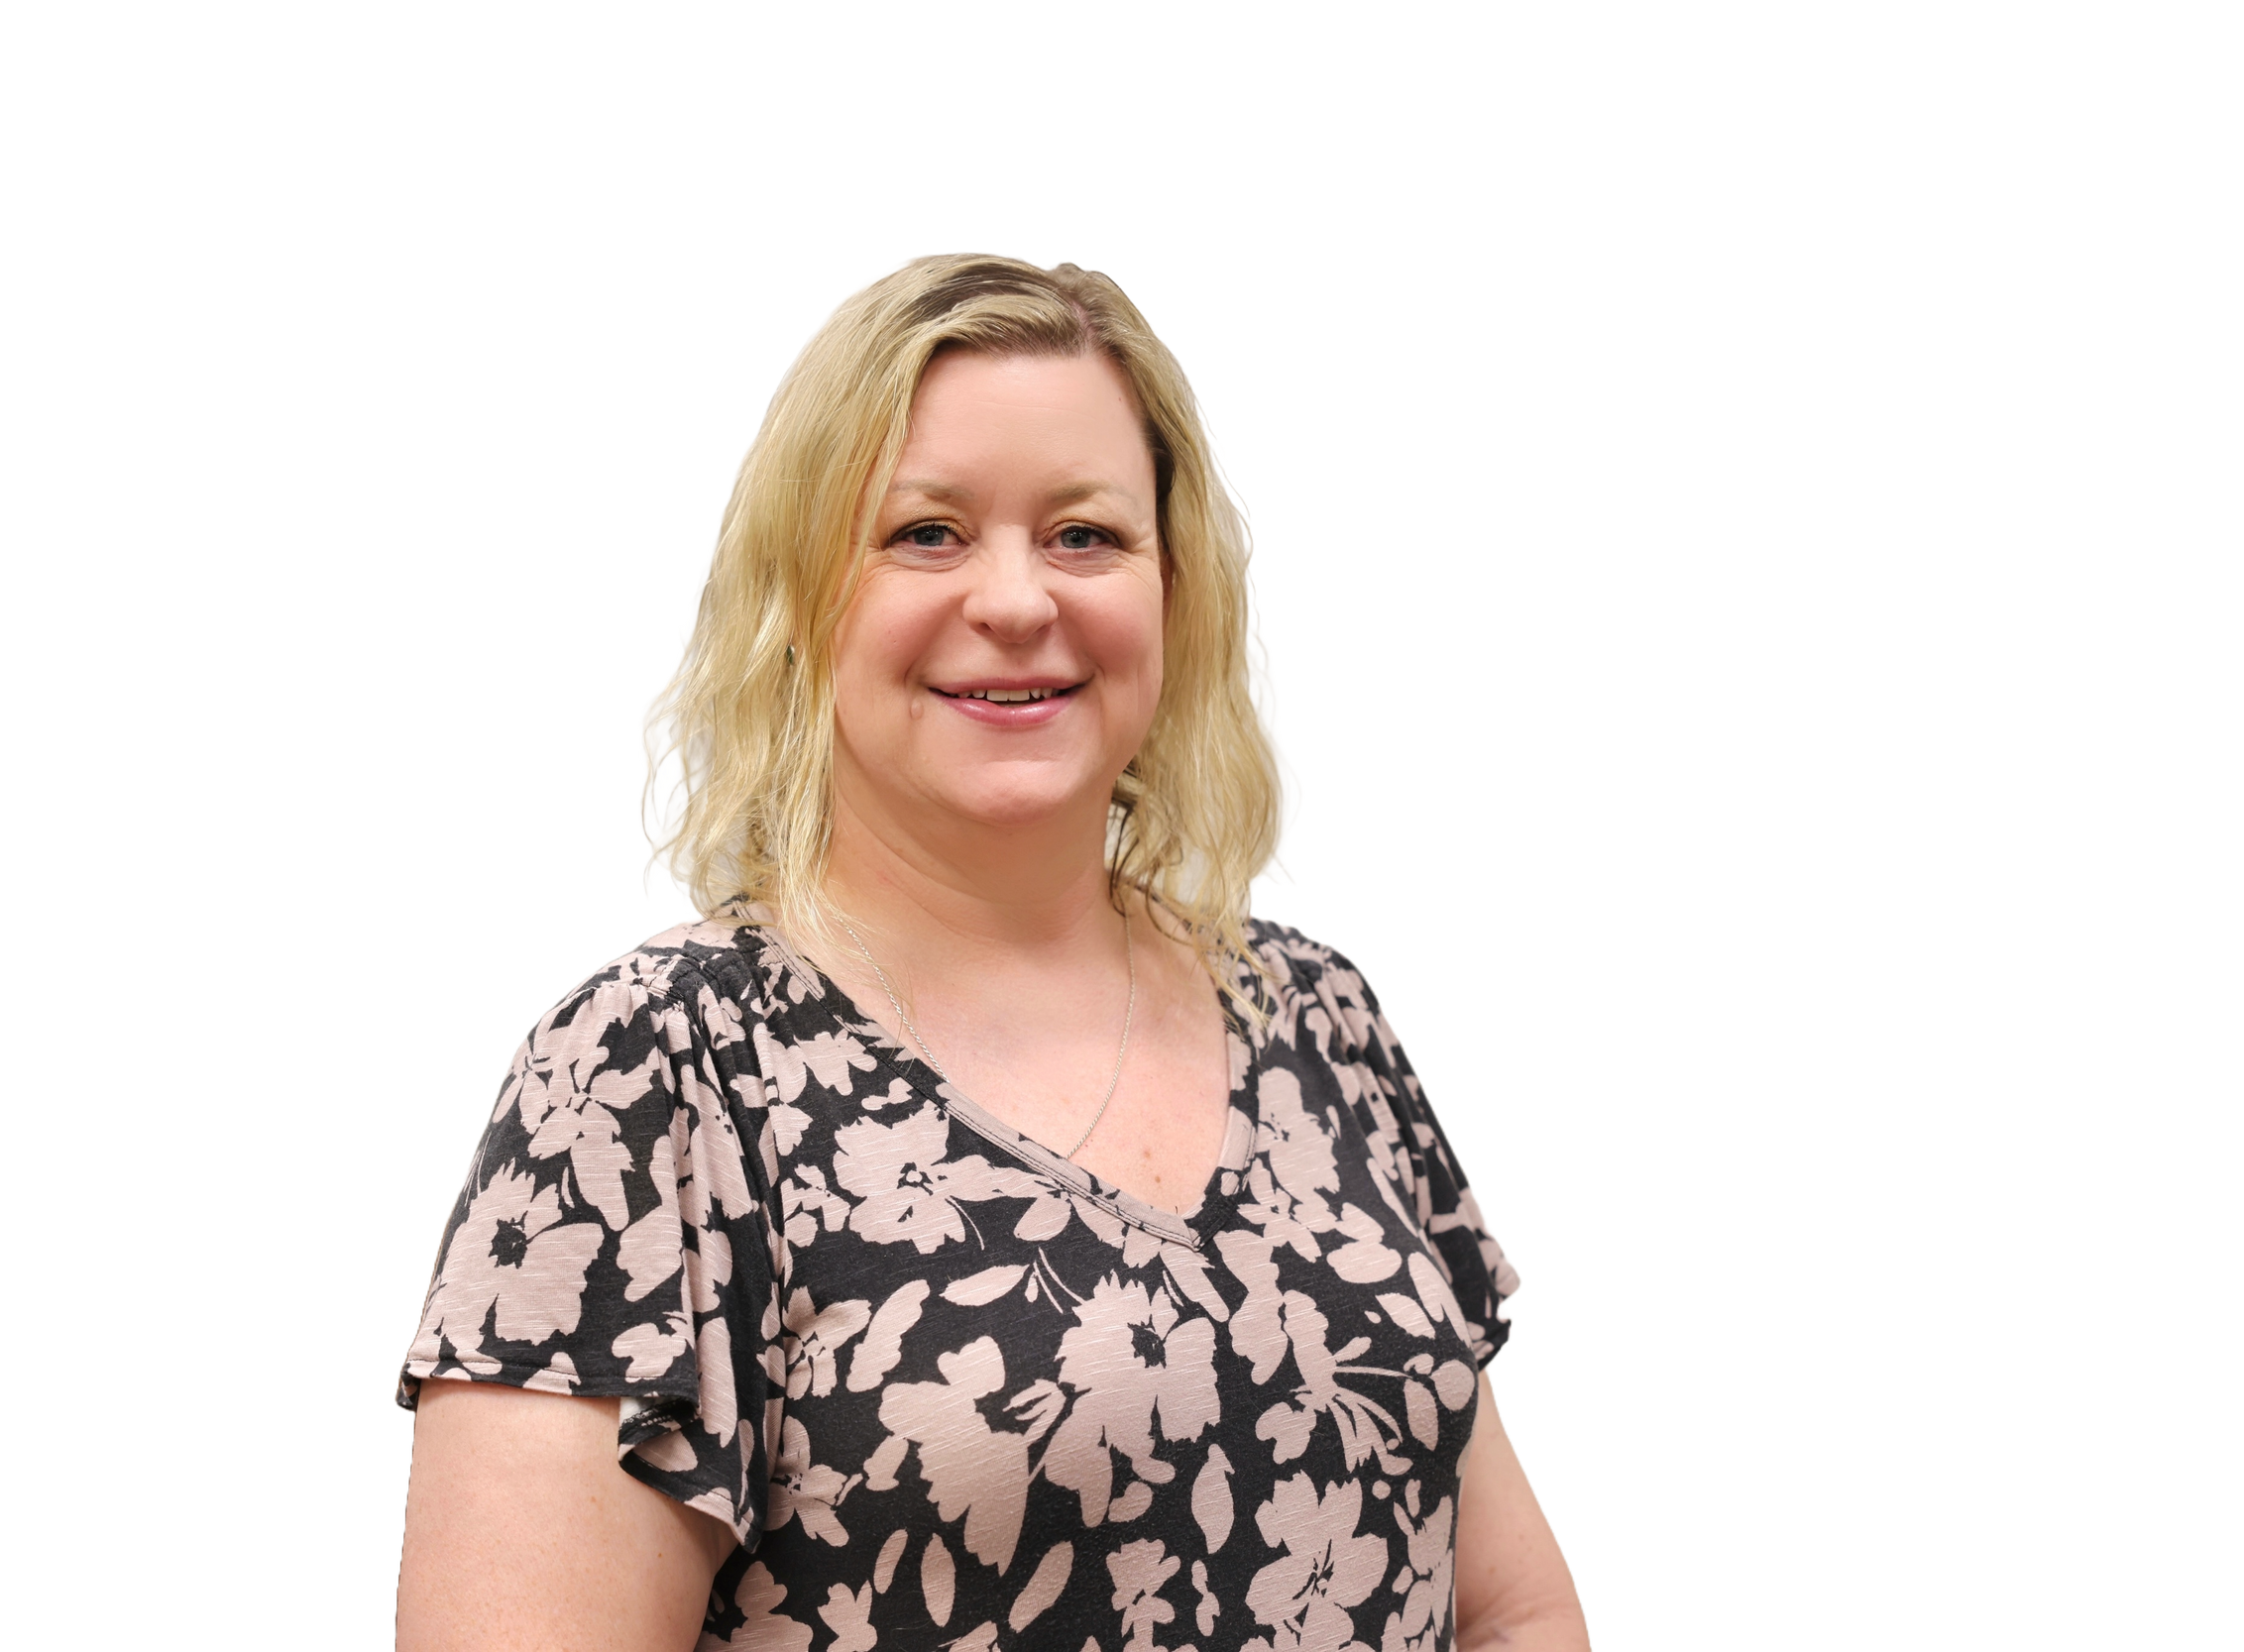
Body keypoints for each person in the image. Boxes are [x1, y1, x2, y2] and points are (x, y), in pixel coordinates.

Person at [394, 253, 1591, 1651]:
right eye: (926, 533)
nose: (1018, 599)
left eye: (1084, 535)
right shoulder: (656, 1075)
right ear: (803, 592)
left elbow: (1509, 1603)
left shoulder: (1323, 1021)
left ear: (1175, 586)